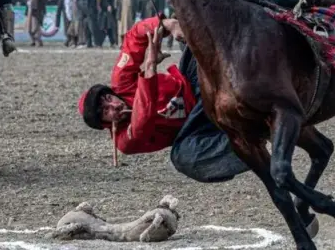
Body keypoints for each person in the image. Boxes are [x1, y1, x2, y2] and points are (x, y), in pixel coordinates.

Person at [78, 15, 249, 183]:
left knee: (197, 20)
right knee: (184, 159)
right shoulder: (123, 141)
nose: (113, 105)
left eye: (108, 98)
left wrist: (169, 25)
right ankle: (251, 143)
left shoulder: (121, 81)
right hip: (195, 125)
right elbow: (143, 120)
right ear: (105, 124)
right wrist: (150, 67)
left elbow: (133, 37)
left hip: (190, 82)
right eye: (105, 111)